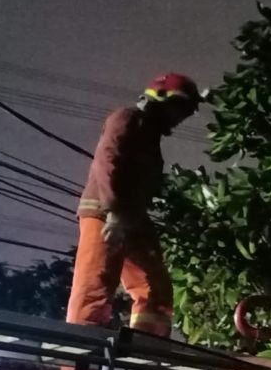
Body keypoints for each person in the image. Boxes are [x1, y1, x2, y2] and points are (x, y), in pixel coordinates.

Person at [65, 73, 202, 337]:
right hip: (105, 213)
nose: (180, 119)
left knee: (155, 285)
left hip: (132, 218)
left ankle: (147, 347)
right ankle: (78, 364)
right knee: (95, 285)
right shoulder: (127, 118)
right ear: (162, 99)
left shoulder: (149, 134)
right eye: (179, 110)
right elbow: (108, 161)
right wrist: (114, 212)